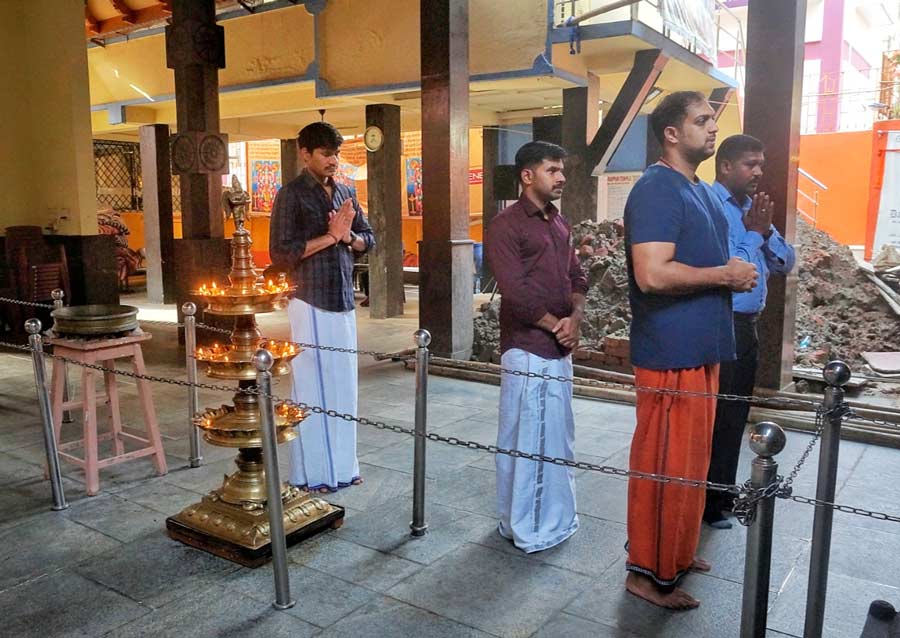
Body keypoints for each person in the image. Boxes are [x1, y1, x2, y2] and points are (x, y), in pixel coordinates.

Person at [623, 91, 758, 609]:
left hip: (700, 349)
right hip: (670, 352)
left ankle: (674, 551)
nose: (712, 128)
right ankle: (646, 573)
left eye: (713, 120)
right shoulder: (657, 188)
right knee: (664, 464)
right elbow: (652, 273)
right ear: (672, 134)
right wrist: (724, 274)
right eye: (701, 120)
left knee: (690, 463)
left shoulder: (697, 189)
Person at [485, 141, 588, 553]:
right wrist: (555, 327)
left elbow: (578, 278)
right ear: (527, 176)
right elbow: (516, 293)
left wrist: (574, 320)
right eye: (551, 169)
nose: (561, 177)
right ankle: (527, 524)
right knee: (526, 437)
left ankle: (552, 516)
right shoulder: (505, 225)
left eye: (561, 169)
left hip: (559, 348)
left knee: (556, 437)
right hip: (527, 347)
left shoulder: (559, 223)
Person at [269, 121, 375, 493]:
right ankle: (312, 475)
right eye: (326, 154)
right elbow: (280, 253)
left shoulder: (346, 192)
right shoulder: (291, 195)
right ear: (305, 153)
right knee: (312, 387)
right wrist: (329, 238)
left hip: (343, 299)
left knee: (344, 385)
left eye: (336, 154)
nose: (333, 161)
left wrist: (348, 237)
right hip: (309, 300)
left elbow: (369, 239)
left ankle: (344, 468)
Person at [704, 134, 796, 529]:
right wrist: (754, 234)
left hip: (748, 327)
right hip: (721, 323)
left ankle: (721, 493)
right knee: (718, 416)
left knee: (736, 414)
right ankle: (708, 500)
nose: (759, 172)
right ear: (725, 166)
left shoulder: (751, 208)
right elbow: (729, 267)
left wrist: (765, 230)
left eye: (761, 163)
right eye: (749, 164)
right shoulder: (710, 206)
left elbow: (785, 262)